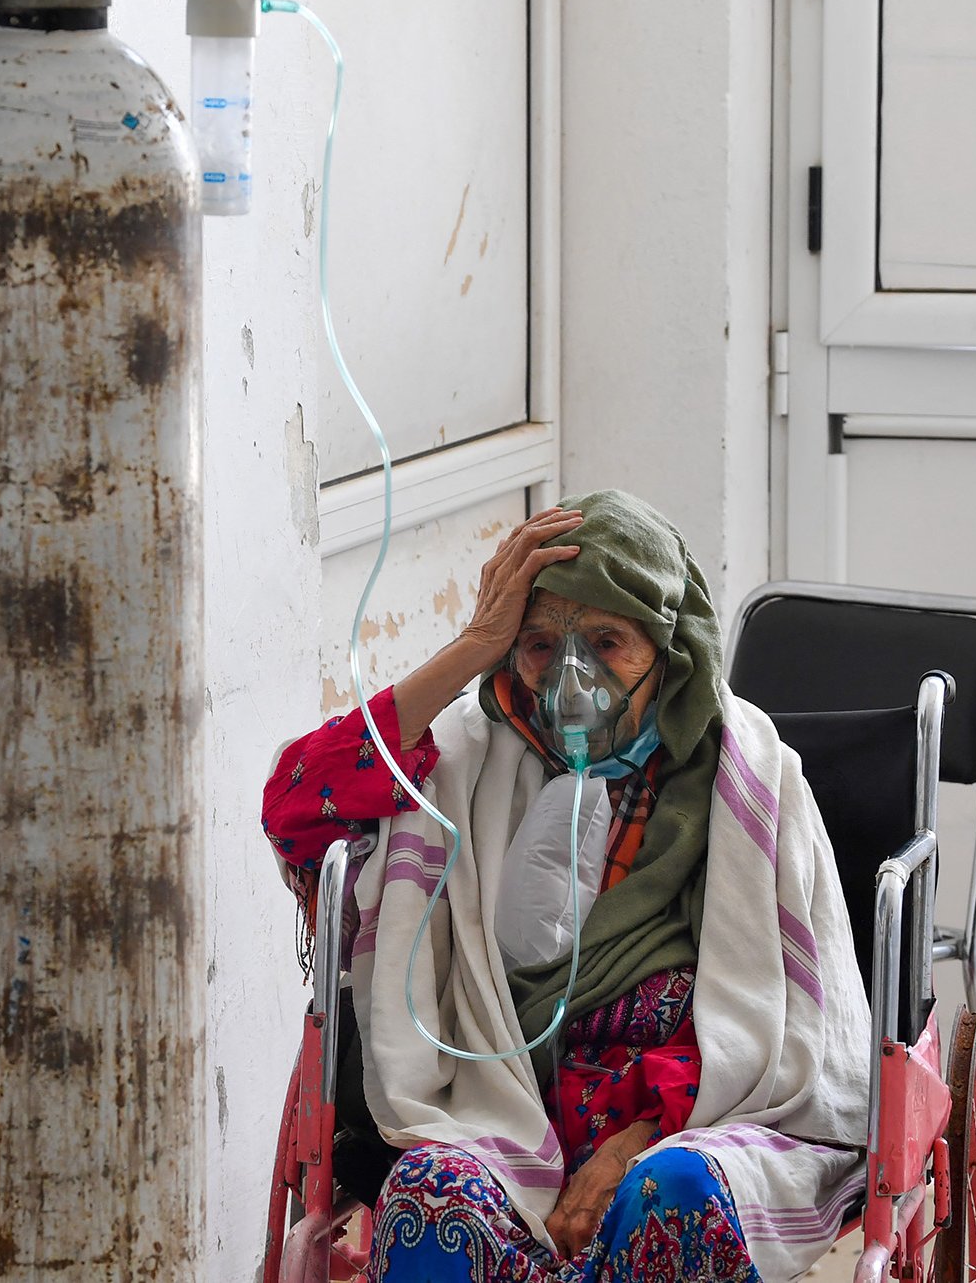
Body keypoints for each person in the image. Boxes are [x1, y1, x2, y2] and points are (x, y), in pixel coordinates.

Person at [262, 491, 870, 1282]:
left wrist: (633, 1141)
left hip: (695, 1127)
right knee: (426, 1191)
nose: (570, 679)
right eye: (541, 644)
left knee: (672, 1188)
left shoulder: (748, 782)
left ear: (668, 650)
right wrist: (476, 642)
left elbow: (774, 1034)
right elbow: (294, 808)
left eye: (606, 641)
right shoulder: (460, 762)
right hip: (491, 1109)